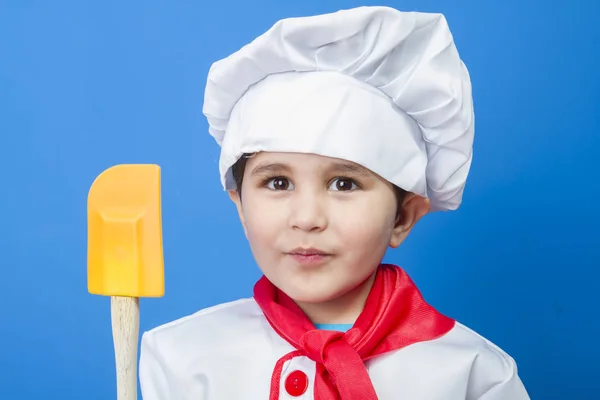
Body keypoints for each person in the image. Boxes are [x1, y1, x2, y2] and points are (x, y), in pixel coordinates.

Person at [138, 6, 530, 399]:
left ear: (403, 217)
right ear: (240, 206)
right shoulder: (182, 361)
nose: (307, 218)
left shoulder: (473, 375)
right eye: (277, 182)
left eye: (343, 183)